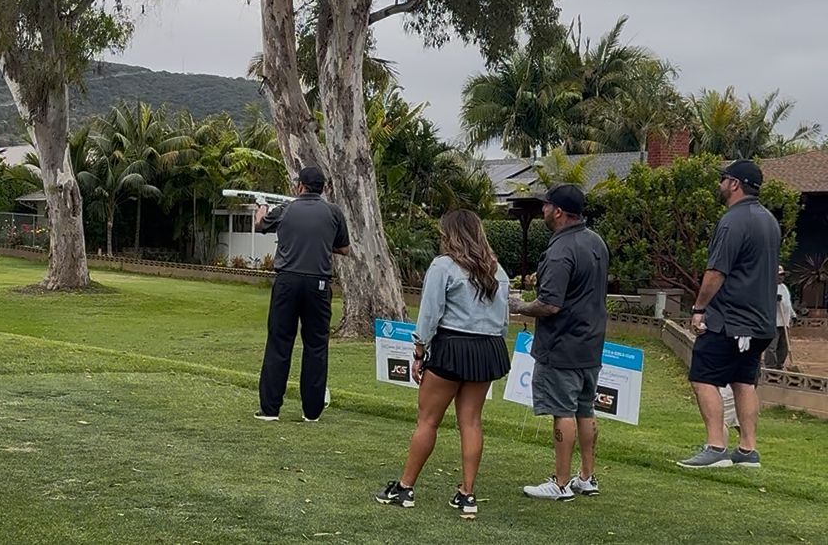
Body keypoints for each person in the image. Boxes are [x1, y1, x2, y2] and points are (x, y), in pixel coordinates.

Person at [376, 210, 511, 520]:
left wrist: (419, 351)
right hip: (488, 348)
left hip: (451, 347)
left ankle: (405, 488)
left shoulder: (443, 266)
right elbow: (503, 320)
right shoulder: (497, 270)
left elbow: (429, 313)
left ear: (450, 235)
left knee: (428, 420)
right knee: (471, 422)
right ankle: (467, 494)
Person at [510, 184, 609, 502]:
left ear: (559, 212)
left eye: (547, 205)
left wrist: (520, 306)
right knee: (585, 408)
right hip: (591, 342)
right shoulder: (596, 242)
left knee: (562, 410)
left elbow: (550, 304)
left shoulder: (560, 249)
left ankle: (561, 483)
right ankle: (587, 477)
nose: (543, 210)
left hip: (563, 343)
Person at [678, 159, 780, 469]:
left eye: (723, 178)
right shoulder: (769, 221)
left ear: (735, 184)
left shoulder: (733, 221)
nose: (720, 184)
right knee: (743, 381)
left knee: (702, 377)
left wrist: (699, 308)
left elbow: (716, 272)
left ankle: (716, 447)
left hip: (730, 320)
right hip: (761, 323)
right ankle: (748, 450)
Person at [253, 166, 350, 422]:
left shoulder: (286, 210)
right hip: (319, 285)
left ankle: (270, 409)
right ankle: (311, 412)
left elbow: (260, 225)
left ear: (300, 186)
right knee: (316, 345)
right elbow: (344, 248)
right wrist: (321, 243)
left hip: (287, 283)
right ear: (323, 188)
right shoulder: (333, 212)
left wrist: (261, 207)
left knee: (279, 342)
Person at [764, 265, 796, 370]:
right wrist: (774, 299)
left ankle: (779, 365)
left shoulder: (784, 287)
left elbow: (788, 304)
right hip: (774, 322)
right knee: (772, 346)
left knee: (784, 346)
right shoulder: (768, 287)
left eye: (782, 275)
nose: (781, 277)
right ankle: (770, 366)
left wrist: (793, 315)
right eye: (779, 275)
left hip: (785, 322)